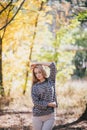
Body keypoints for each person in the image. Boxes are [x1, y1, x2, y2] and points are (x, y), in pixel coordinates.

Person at [31, 62, 58, 130]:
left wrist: (38, 63)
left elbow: (53, 66)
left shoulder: (51, 80)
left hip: (50, 116)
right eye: (36, 73)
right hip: (37, 116)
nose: (38, 75)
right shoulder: (34, 86)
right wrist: (49, 104)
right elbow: (36, 102)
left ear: (43, 71)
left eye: (39, 72)